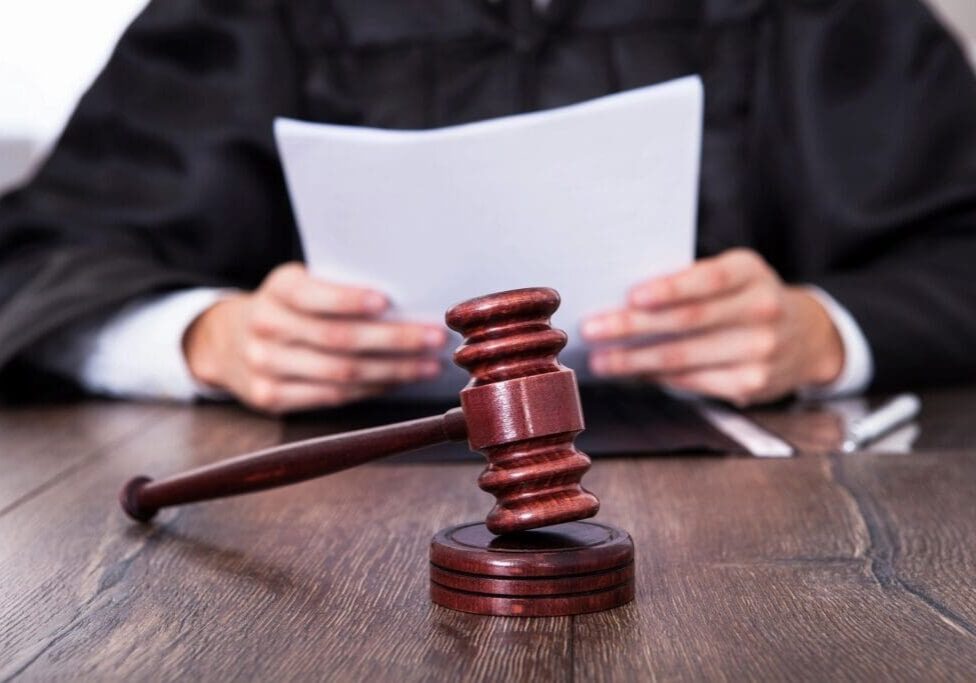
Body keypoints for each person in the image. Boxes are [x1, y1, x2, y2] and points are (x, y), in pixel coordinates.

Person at [1, 0, 975, 413]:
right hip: (332, 526)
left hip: (771, 524)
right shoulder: (266, 10)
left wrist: (821, 331)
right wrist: (207, 338)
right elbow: (46, 248)